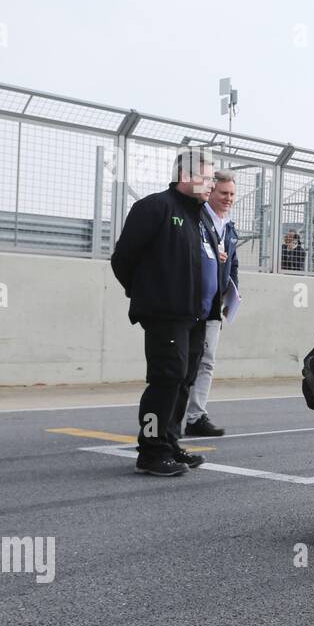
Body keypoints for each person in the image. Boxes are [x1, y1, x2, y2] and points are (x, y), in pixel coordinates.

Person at [109, 146, 224, 476]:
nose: (211, 184)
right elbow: (123, 260)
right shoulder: (155, 207)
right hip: (166, 315)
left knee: (184, 381)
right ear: (186, 176)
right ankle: (151, 450)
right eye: (206, 177)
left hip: (196, 316)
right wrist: (148, 295)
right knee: (165, 380)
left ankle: (170, 443)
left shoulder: (200, 217)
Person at [184, 170, 240, 437]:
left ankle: (195, 416)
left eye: (231, 194)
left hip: (214, 307)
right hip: (191, 305)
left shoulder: (228, 226)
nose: (228, 198)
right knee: (185, 362)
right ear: (211, 193)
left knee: (207, 362)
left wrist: (233, 294)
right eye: (223, 193)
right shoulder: (196, 218)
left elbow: (233, 265)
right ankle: (173, 417)